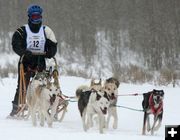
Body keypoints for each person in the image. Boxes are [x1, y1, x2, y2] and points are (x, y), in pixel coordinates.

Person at [9, 4, 57, 117]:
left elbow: (53, 45)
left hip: (40, 60)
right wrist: (24, 52)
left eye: (38, 17)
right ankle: (16, 109)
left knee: (43, 86)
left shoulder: (46, 30)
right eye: (34, 17)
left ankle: (46, 108)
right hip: (25, 62)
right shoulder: (21, 30)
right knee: (22, 86)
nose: (36, 19)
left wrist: (50, 52)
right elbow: (15, 44)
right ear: (29, 17)